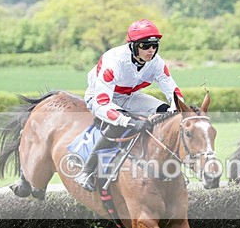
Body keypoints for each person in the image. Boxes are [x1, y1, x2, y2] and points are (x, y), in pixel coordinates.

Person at [74, 19, 184, 192]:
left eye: (155, 46)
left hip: (129, 96)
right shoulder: (114, 61)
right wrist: (129, 122)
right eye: (145, 45)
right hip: (100, 98)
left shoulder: (156, 62)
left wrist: (182, 110)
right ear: (133, 46)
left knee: (167, 113)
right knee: (120, 124)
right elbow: (103, 105)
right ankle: (86, 170)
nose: (151, 50)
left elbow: (173, 91)